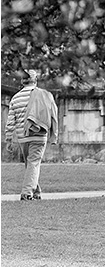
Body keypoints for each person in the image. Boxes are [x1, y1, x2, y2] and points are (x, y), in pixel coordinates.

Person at [5, 70, 58, 200]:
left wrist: (8, 139)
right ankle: (27, 193)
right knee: (33, 163)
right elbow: (53, 115)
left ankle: (36, 192)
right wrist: (54, 134)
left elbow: (11, 121)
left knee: (31, 164)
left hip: (22, 136)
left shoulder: (16, 98)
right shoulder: (44, 95)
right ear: (35, 80)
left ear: (22, 81)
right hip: (39, 135)